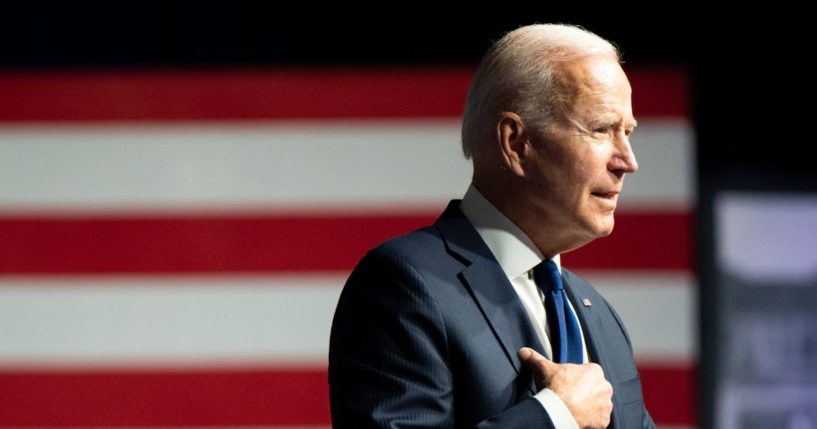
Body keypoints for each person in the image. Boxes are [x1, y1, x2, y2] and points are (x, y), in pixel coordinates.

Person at [329, 23, 656, 429]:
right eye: (602, 130)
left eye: (627, 133)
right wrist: (554, 415)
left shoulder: (599, 315)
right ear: (516, 143)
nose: (628, 161)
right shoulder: (405, 284)